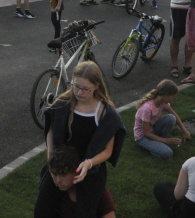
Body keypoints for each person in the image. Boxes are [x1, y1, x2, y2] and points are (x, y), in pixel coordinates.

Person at [35, 61, 126, 218]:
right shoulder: (64, 103)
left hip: (89, 168)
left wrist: (88, 163)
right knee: (42, 210)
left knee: (85, 212)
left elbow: (108, 150)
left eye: (85, 89)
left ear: (97, 86)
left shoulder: (106, 114)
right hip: (62, 164)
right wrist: (51, 156)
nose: (79, 93)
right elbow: (50, 131)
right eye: (75, 86)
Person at [45, 145, 117, 218]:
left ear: (77, 170)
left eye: (63, 175)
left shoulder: (99, 193)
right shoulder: (55, 193)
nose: (58, 180)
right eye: (54, 174)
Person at [134, 80, 190, 159]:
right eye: (172, 97)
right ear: (166, 95)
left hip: (152, 130)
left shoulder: (163, 102)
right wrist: (167, 141)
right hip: (143, 137)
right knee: (168, 153)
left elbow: (173, 114)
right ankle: (156, 145)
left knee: (171, 118)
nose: (173, 99)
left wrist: (184, 131)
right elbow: (146, 133)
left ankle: (159, 141)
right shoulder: (147, 108)